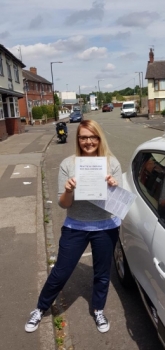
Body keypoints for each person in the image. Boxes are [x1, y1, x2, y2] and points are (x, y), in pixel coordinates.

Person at [25, 120, 122, 334]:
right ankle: (40, 308)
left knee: (102, 273)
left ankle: (98, 309)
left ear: (99, 138)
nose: (88, 141)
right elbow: (63, 204)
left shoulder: (111, 163)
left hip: (105, 226)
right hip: (75, 225)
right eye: (83, 137)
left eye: (93, 136)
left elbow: (118, 204)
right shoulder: (68, 164)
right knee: (61, 271)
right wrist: (68, 190)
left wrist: (114, 187)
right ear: (78, 139)